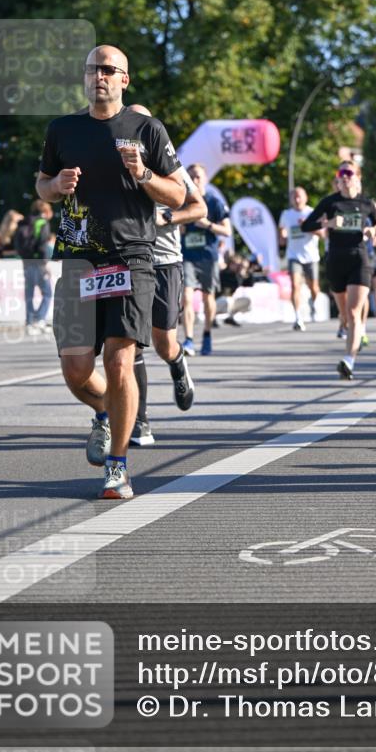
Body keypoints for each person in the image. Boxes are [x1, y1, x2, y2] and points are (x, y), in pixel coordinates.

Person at [36, 44, 185, 500]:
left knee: (120, 361)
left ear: (124, 79)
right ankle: (107, 412)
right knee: (76, 370)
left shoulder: (147, 129)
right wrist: (55, 188)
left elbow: (177, 196)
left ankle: (117, 467)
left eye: (108, 69)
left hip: (132, 259)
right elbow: (41, 184)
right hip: (79, 260)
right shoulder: (63, 129)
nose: (98, 76)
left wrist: (143, 175)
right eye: (92, 69)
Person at [125, 104, 206, 446]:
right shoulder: (115, 160)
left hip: (165, 261)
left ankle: (177, 362)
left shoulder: (168, 165)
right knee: (130, 343)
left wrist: (166, 219)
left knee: (162, 342)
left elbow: (198, 207)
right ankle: (139, 421)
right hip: (128, 260)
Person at [301, 160, 376, 379]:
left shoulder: (366, 203)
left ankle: (349, 360)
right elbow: (306, 226)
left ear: (358, 177)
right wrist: (328, 224)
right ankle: (348, 331)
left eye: (349, 172)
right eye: (341, 173)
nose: (345, 177)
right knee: (345, 315)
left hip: (360, 259)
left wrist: (374, 229)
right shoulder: (329, 202)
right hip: (336, 260)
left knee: (355, 313)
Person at [181, 164, 231, 356]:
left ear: (205, 179)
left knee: (207, 297)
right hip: (188, 256)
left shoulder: (214, 202)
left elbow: (227, 230)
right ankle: (189, 340)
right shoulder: (183, 202)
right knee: (186, 296)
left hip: (208, 256)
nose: (194, 181)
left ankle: (207, 334)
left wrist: (208, 225)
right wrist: (180, 227)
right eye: (191, 177)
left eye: (198, 177)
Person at [278, 186, 322, 331]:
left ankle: (312, 303)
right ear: (291, 199)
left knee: (314, 288)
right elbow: (281, 232)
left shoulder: (312, 212)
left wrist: (308, 226)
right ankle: (298, 317)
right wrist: (282, 237)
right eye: (294, 197)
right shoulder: (286, 214)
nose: (297, 200)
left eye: (299, 196)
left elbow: (323, 234)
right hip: (294, 255)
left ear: (305, 198)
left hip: (311, 256)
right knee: (295, 285)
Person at [14, 199, 54, 334]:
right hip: (38, 262)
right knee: (47, 292)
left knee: (29, 292)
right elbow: (42, 244)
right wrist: (45, 263)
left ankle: (30, 322)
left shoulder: (24, 223)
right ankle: (40, 319)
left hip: (26, 261)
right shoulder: (42, 223)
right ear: (45, 211)